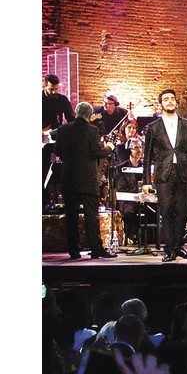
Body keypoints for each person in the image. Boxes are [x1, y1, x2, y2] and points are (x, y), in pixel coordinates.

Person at [142, 88, 187, 263]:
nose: (169, 101)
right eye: (166, 99)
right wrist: (146, 181)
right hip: (163, 173)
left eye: (172, 99)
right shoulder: (153, 127)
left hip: (183, 172)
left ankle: (178, 246)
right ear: (161, 104)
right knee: (167, 210)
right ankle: (169, 249)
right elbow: (147, 156)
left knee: (183, 210)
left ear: (176, 102)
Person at [53, 101, 117, 260]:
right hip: (87, 179)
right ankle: (95, 249)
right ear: (90, 115)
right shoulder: (92, 130)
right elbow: (96, 152)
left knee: (71, 217)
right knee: (91, 216)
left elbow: (57, 151)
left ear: (76, 113)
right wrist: (109, 147)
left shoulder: (62, 129)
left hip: (69, 179)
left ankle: (73, 251)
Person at [42, 73, 75, 208]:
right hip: (41, 140)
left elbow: (71, 119)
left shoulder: (62, 100)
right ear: (45, 86)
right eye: (51, 89)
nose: (54, 92)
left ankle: (60, 200)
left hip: (57, 140)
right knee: (41, 170)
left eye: (56, 89)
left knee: (60, 170)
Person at [114, 137, 147, 245]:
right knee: (130, 211)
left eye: (140, 147)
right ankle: (132, 236)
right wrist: (137, 192)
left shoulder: (146, 166)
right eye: (135, 148)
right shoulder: (121, 168)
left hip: (145, 200)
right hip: (129, 200)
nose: (139, 150)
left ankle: (151, 238)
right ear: (129, 151)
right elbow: (121, 188)